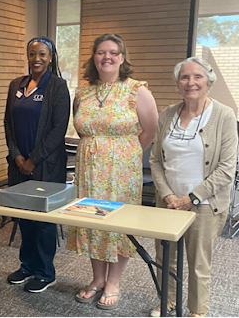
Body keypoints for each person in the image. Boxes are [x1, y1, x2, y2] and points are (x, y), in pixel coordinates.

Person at [66, 33, 158, 309]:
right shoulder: (83, 91)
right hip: (88, 170)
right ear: (94, 57)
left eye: (113, 52)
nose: (107, 57)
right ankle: (96, 279)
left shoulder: (136, 89)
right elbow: (81, 128)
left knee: (118, 224)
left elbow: (150, 130)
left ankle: (114, 281)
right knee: (93, 221)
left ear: (122, 57)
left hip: (122, 171)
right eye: (101, 52)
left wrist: (123, 155)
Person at [149, 57, 237, 318]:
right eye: (184, 77)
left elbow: (226, 168)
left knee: (198, 262)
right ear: (178, 84)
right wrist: (167, 194)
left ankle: (197, 311)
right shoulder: (167, 114)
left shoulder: (224, 115)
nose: (191, 82)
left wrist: (191, 198)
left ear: (208, 81)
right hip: (168, 201)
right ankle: (168, 300)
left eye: (197, 77)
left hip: (205, 204)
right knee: (166, 258)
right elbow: (156, 160)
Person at [4, 37, 70, 293]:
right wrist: (16, 154)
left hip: (46, 167)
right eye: (32, 54)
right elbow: (8, 122)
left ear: (51, 56)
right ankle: (27, 266)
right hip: (19, 164)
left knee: (43, 220)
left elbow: (58, 130)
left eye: (42, 54)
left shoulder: (58, 86)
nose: (37, 59)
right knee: (23, 216)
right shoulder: (16, 85)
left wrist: (33, 160)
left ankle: (45, 272)